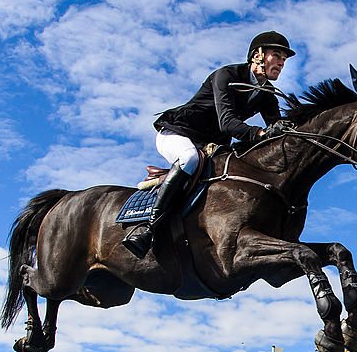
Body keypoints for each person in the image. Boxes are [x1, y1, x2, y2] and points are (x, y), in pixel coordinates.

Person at [122, 30, 296, 258]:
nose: (281, 62)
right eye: (277, 55)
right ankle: (147, 228)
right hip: (179, 133)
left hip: (209, 145)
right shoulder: (227, 75)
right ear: (257, 56)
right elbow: (227, 123)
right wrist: (261, 132)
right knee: (189, 158)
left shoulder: (267, 94)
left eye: (284, 59)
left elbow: (275, 129)